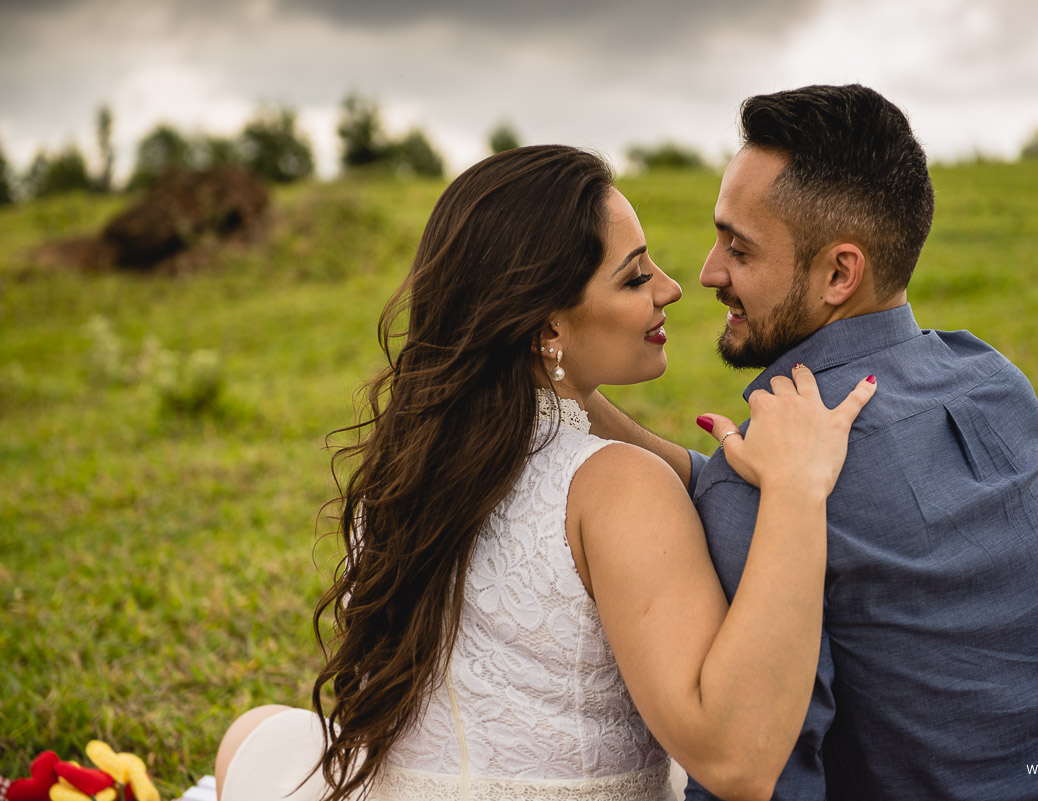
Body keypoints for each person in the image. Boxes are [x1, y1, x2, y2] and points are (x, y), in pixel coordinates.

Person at [586, 84, 1038, 799]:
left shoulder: (758, 492)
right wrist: (577, 401)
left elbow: (766, 775)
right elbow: (869, 517)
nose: (708, 272)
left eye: (739, 248)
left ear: (840, 272)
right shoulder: (990, 378)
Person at [213, 145, 877, 801]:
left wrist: (555, 367)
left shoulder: (412, 466)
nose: (673, 288)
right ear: (545, 326)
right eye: (635, 276)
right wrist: (796, 487)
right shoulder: (617, 487)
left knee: (257, 733)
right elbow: (736, 760)